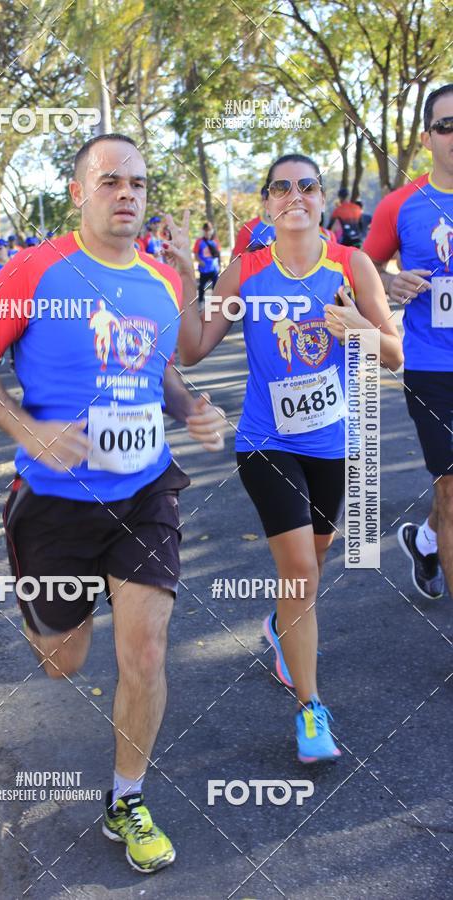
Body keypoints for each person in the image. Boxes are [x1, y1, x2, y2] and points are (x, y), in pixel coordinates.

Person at [0, 133, 226, 874]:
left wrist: (191, 409)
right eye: (109, 181)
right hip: (53, 503)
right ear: (78, 193)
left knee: (145, 649)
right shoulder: (35, 270)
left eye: (138, 182)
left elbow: (159, 375)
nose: (127, 194)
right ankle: (51, 617)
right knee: (62, 661)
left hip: (145, 491)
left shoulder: (156, 281)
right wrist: (27, 430)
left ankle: (127, 798)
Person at [167, 153, 402, 763]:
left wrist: (360, 329)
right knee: (299, 567)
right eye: (280, 188)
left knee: (313, 561)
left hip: (332, 443)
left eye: (306, 186)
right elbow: (192, 349)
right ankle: (311, 710)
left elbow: (395, 355)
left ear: (322, 199)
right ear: (266, 205)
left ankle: (279, 626)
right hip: (266, 441)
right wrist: (189, 277)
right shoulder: (245, 271)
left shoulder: (352, 266)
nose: (294, 195)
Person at [364, 83, 453, 600]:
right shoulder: (402, 205)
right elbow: (363, 265)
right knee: (452, 486)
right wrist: (388, 281)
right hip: (433, 368)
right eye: (446, 126)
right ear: (427, 138)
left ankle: (425, 540)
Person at [193, 222, 221, 307]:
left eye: (209, 230)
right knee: (202, 286)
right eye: (206, 230)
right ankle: (201, 301)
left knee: (216, 287)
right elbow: (195, 253)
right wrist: (200, 262)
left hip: (214, 269)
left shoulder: (215, 241)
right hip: (204, 269)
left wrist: (220, 264)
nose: (208, 232)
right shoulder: (199, 241)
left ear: (212, 230)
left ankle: (215, 303)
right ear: (203, 231)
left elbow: (218, 253)